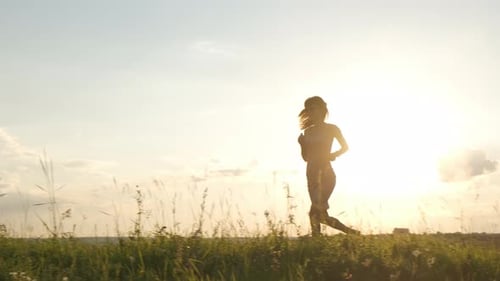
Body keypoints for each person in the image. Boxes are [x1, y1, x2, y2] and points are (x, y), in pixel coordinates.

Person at [298, 96, 360, 236]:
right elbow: (306, 158)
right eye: (308, 110)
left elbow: (345, 147)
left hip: (326, 175)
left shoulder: (332, 129)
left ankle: (317, 241)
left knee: (314, 213)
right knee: (320, 216)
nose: (310, 112)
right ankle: (353, 234)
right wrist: (302, 145)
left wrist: (333, 155)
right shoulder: (308, 132)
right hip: (311, 175)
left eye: (313, 108)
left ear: (322, 109)